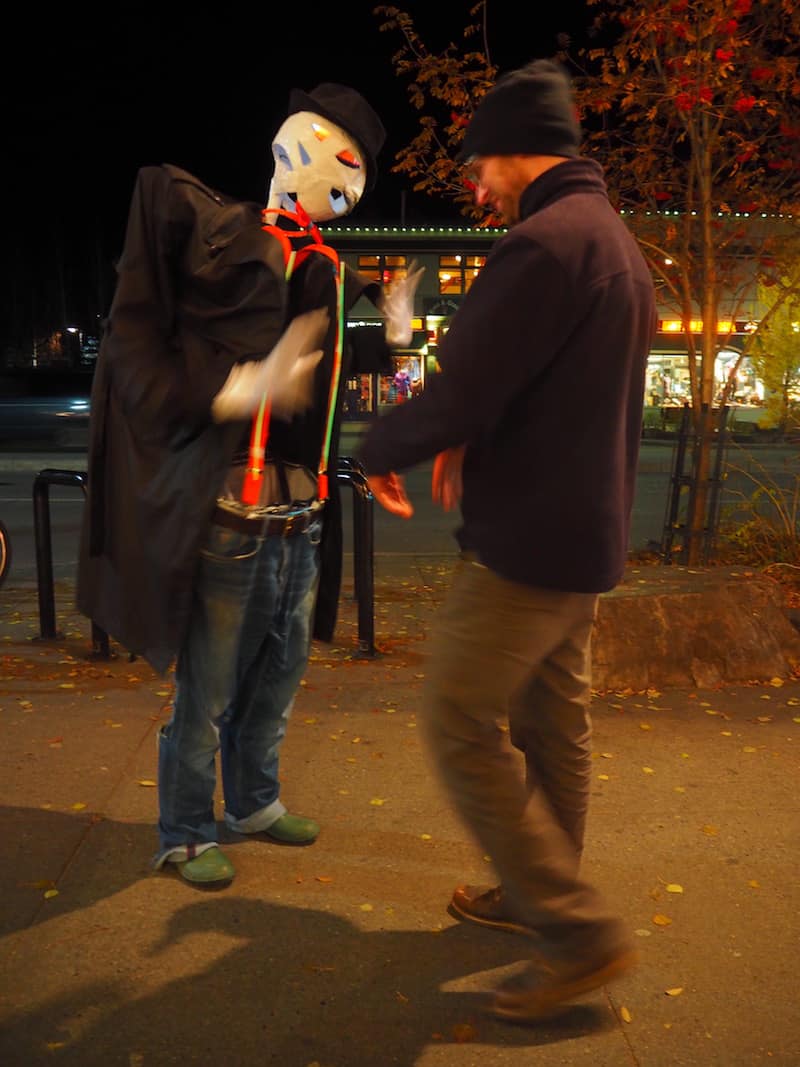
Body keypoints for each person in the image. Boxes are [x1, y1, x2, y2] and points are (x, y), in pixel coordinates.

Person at [356, 59, 657, 1021]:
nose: (477, 183)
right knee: (551, 727)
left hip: (528, 544)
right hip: (583, 537)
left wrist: (383, 447)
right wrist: (469, 434)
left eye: (481, 162)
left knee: (456, 717)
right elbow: (541, 386)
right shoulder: (611, 243)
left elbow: (466, 378)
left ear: (517, 148)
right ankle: (540, 899)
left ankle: (575, 931)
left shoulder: (545, 244)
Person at [77, 82, 421, 887]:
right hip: (230, 506)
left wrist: (396, 338)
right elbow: (143, 351)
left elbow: (337, 369)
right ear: (290, 146)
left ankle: (254, 799)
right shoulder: (222, 241)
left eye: (357, 169)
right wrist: (230, 392)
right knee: (210, 679)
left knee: (281, 666)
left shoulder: (326, 266)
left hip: (302, 510)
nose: (346, 180)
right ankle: (185, 828)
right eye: (338, 156)